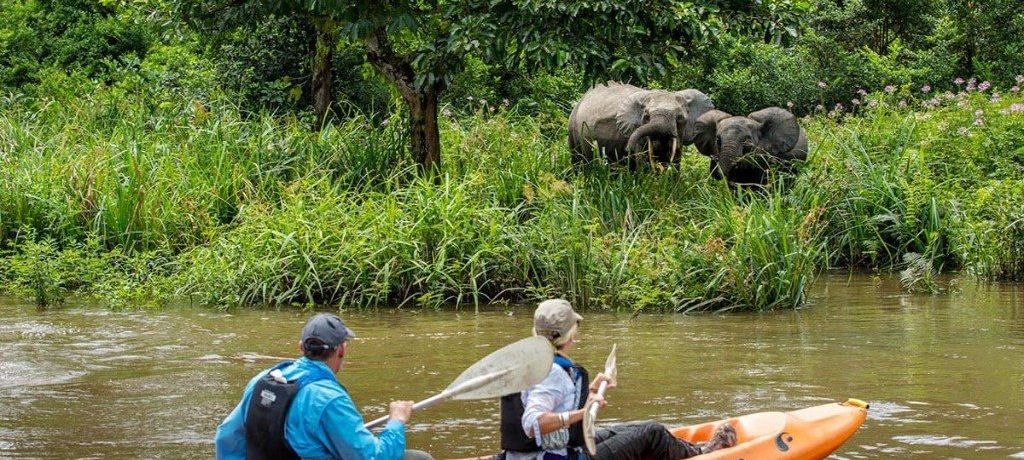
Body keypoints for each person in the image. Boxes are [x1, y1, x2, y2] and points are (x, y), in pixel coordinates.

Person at [498, 299, 736, 460]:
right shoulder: (554, 372)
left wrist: (589, 392)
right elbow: (532, 422)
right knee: (651, 431)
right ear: (569, 334)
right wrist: (583, 412)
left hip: (529, 453)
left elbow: (540, 402)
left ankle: (691, 449)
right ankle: (704, 452)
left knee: (621, 431)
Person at [214, 312, 433, 460]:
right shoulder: (330, 400)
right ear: (341, 350)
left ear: (301, 347)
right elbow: (372, 456)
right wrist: (396, 421)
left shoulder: (263, 379)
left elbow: (225, 435)